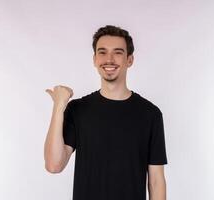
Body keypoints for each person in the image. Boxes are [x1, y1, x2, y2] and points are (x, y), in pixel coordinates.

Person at [44, 25, 168, 200]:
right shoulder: (77, 109)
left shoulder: (150, 114)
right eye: (102, 52)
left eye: (117, 52)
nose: (109, 59)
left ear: (129, 60)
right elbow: (53, 165)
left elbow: (156, 180)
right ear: (95, 59)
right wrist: (58, 107)